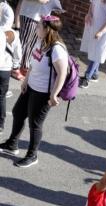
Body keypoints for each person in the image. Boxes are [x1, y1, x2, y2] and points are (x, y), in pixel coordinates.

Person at [0, 15, 68, 168]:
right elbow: (33, 62)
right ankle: (12, 144)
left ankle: (32, 155)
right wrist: (25, 80)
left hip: (43, 93)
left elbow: (62, 73)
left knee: (35, 124)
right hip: (31, 86)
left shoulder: (57, 49)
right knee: (18, 112)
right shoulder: (41, 41)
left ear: (47, 29)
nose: (36, 28)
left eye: (39, 26)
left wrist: (54, 94)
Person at [79, 0, 106, 88]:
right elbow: (92, 3)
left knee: (97, 52)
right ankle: (95, 74)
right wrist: (89, 14)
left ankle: (87, 77)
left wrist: (101, 31)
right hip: (93, 24)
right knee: (95, 51)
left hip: (104, 29)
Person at [18, 0, 62, 76]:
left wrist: (56, 8)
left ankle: (26, 66)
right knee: (24, 42)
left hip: (43, 18)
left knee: (34, 44)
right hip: (29, 14)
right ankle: (16, 67)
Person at [0, 28, 18, 134]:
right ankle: (1, 124)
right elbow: (18, 51)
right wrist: (16, 65)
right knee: (1, 97)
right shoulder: (13, 33)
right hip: (5, 69)